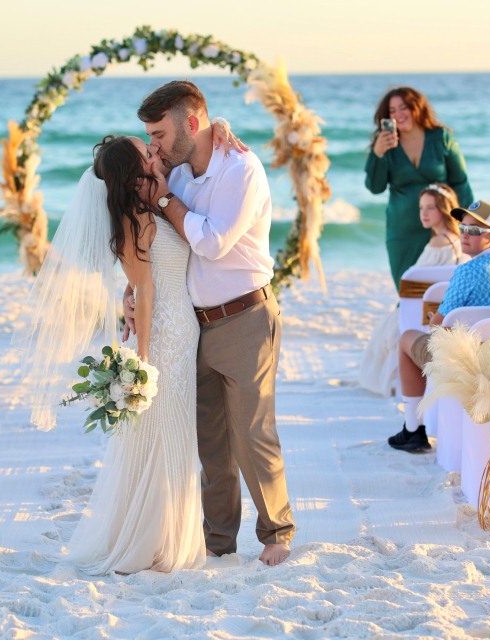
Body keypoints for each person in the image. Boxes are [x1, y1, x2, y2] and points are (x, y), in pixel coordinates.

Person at [17, 134, 206, 575]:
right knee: (159, 432)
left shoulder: (154, 205)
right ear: (132, 168)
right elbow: (145, 285)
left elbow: (143, 279)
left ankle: (166, 539)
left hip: (180, 327)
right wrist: (141, 361)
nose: (153, 152)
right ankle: (150, 542)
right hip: (164, 335)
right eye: (146, 151)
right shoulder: (133, 218)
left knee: (173, 432)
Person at [138, 80, 294, 566]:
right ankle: (219, 541)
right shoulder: (179, 172)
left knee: (253, 433)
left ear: (192, 122)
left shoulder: (241, 169)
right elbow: (159, 236)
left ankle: (276, 532)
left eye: (159, 133)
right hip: (196, 324)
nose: (155, 145)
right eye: (150, 135)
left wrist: (167, 202)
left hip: (246, 315)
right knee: (212, 445)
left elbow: (211, 241)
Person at [388, 202, 490, 452]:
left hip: (459, 359)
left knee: (406, 338)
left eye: (474, 230)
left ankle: (413, 429)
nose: (465, 234)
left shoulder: (467, 271)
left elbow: (438, 325)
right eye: (463, 227)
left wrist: (434, 317)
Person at [359, 183, 467, 396]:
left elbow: (412, 280)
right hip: (442, 313)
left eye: (430, 208)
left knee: (390, 323)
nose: (424, 213)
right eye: (421, 208)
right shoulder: (458, 241)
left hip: (420, 314)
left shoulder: (438, 242)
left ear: (443, 209)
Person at [365, 87, 474, 288]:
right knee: (408, 289)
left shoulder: (440, 138)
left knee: (443, 289)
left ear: (416, 108)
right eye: (392, 111)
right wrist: (378, 154)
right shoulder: (386, 145)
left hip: (441, 227)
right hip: (402, 230)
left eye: (403, 108)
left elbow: (460, 182)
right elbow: (375, 187)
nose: (398, 115)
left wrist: (468, 221)